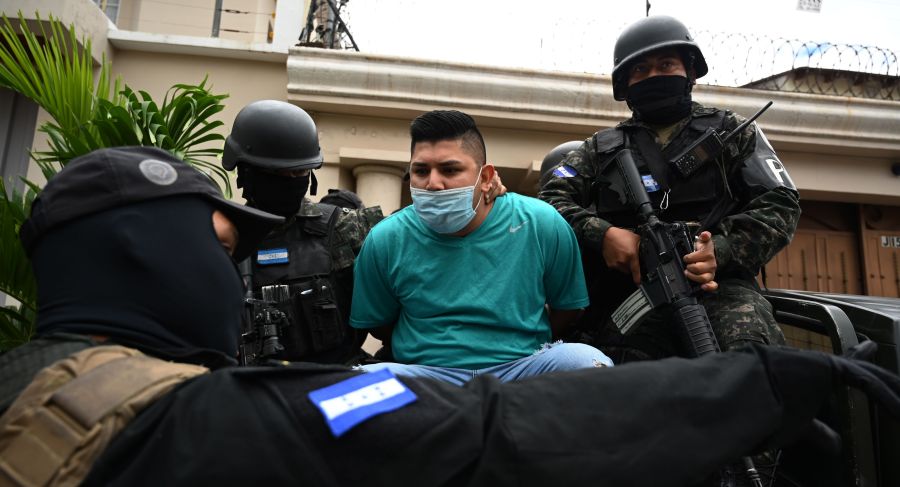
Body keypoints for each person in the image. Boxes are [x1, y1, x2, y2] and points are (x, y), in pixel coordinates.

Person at [2, 146, 900, 487]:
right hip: (439, 390)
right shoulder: (213, 419)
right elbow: (479, 425)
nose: (233, 264)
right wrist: (759, 382)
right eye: (219, 240)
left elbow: (568, 323)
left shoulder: (29, 376)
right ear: (141, 258)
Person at [538, 15, 801, 362]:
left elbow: (780, 203)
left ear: (690, 72)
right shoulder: (598, 149)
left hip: (719, 289)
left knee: (749, 355)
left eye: (666, 65)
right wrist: (603, 234)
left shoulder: (731, 131)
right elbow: (549, 203)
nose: (654, 76)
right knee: (617, 368)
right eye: (641, 70)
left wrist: (719, 250)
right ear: (626, 84)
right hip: (630, 295)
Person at [350, 110, 612, 386]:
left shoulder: (541, 222)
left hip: (524, 368)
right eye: (421, 171)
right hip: (425, 374)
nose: (433, 183)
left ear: (486, 176)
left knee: (589, 363)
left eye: (450, 170)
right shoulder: (385, 238)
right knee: (354, 385)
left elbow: (567, 308)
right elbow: (379, 324)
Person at [221, 100, 385, 365]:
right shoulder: (224, 238)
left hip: (335, 381)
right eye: (276, 173)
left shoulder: (345, 228)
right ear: (245, 171)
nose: (290, 181)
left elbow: (392, 314)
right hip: (253, 390)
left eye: (299, 171)